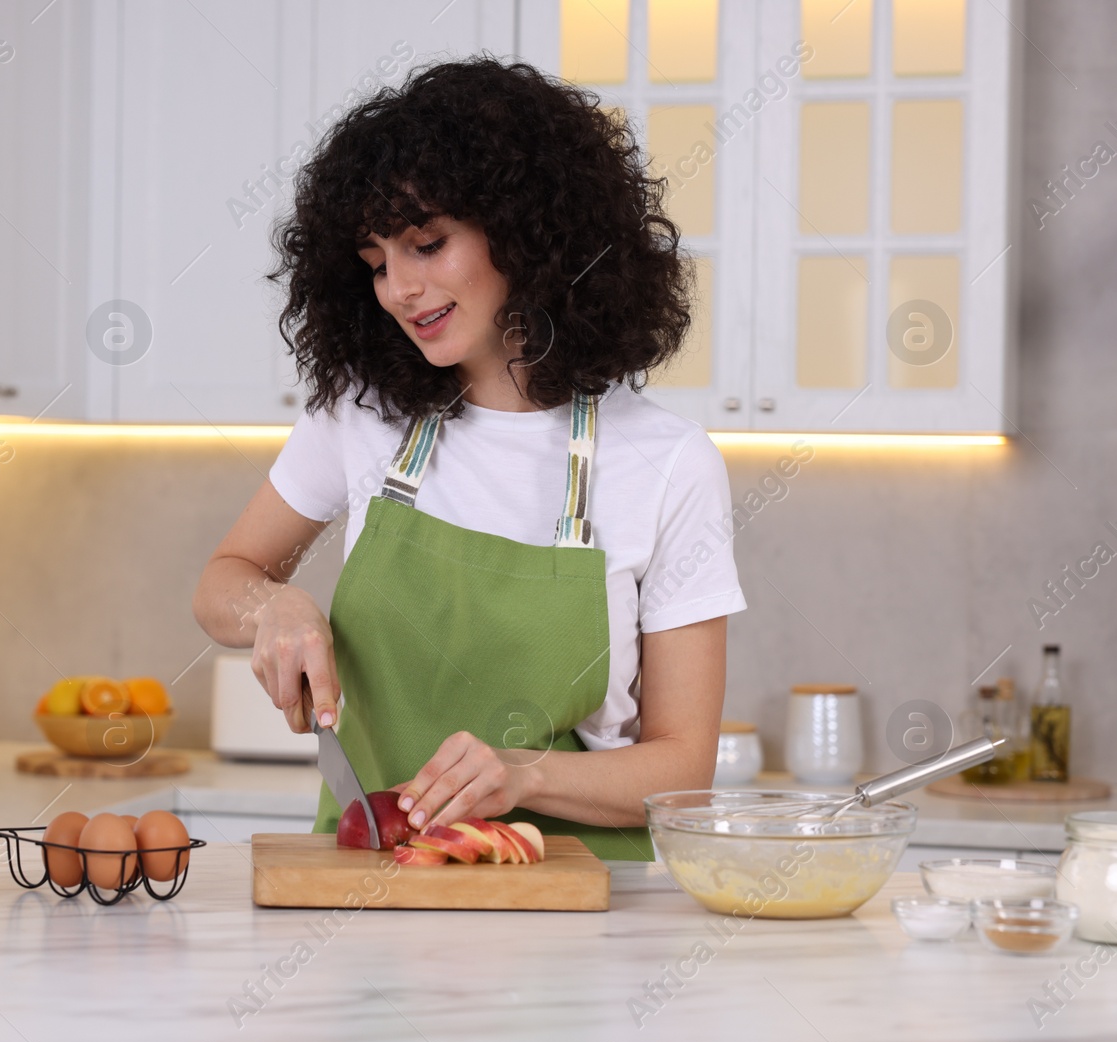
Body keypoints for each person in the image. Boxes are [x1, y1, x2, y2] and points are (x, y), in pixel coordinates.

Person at [192, 58, 745, 860]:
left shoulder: (668, 463)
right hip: (372, 904)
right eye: (377, 263)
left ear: (525, 229)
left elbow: (683, 774)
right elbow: (223, 580)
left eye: (427, 244)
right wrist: (271, 608)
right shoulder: (363, 415)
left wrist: (523, 774)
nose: (399, 290)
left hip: (576, 918)